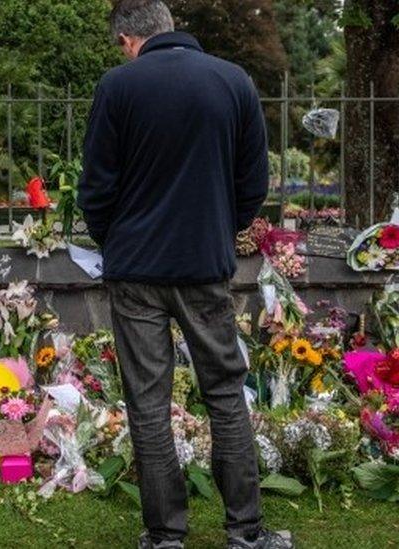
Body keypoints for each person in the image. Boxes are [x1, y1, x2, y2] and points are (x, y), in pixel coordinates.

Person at [77, 1, 291, 548]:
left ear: (129, 38)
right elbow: (253, 183)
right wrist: (221, 229)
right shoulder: (233, 81)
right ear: (170, 27)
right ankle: (246, 531)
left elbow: (97, 188)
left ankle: (164, 536)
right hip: (203, 266)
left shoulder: (118, 87)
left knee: (148, 401)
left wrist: (118, 240)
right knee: (224, 391)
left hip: (135, 270)